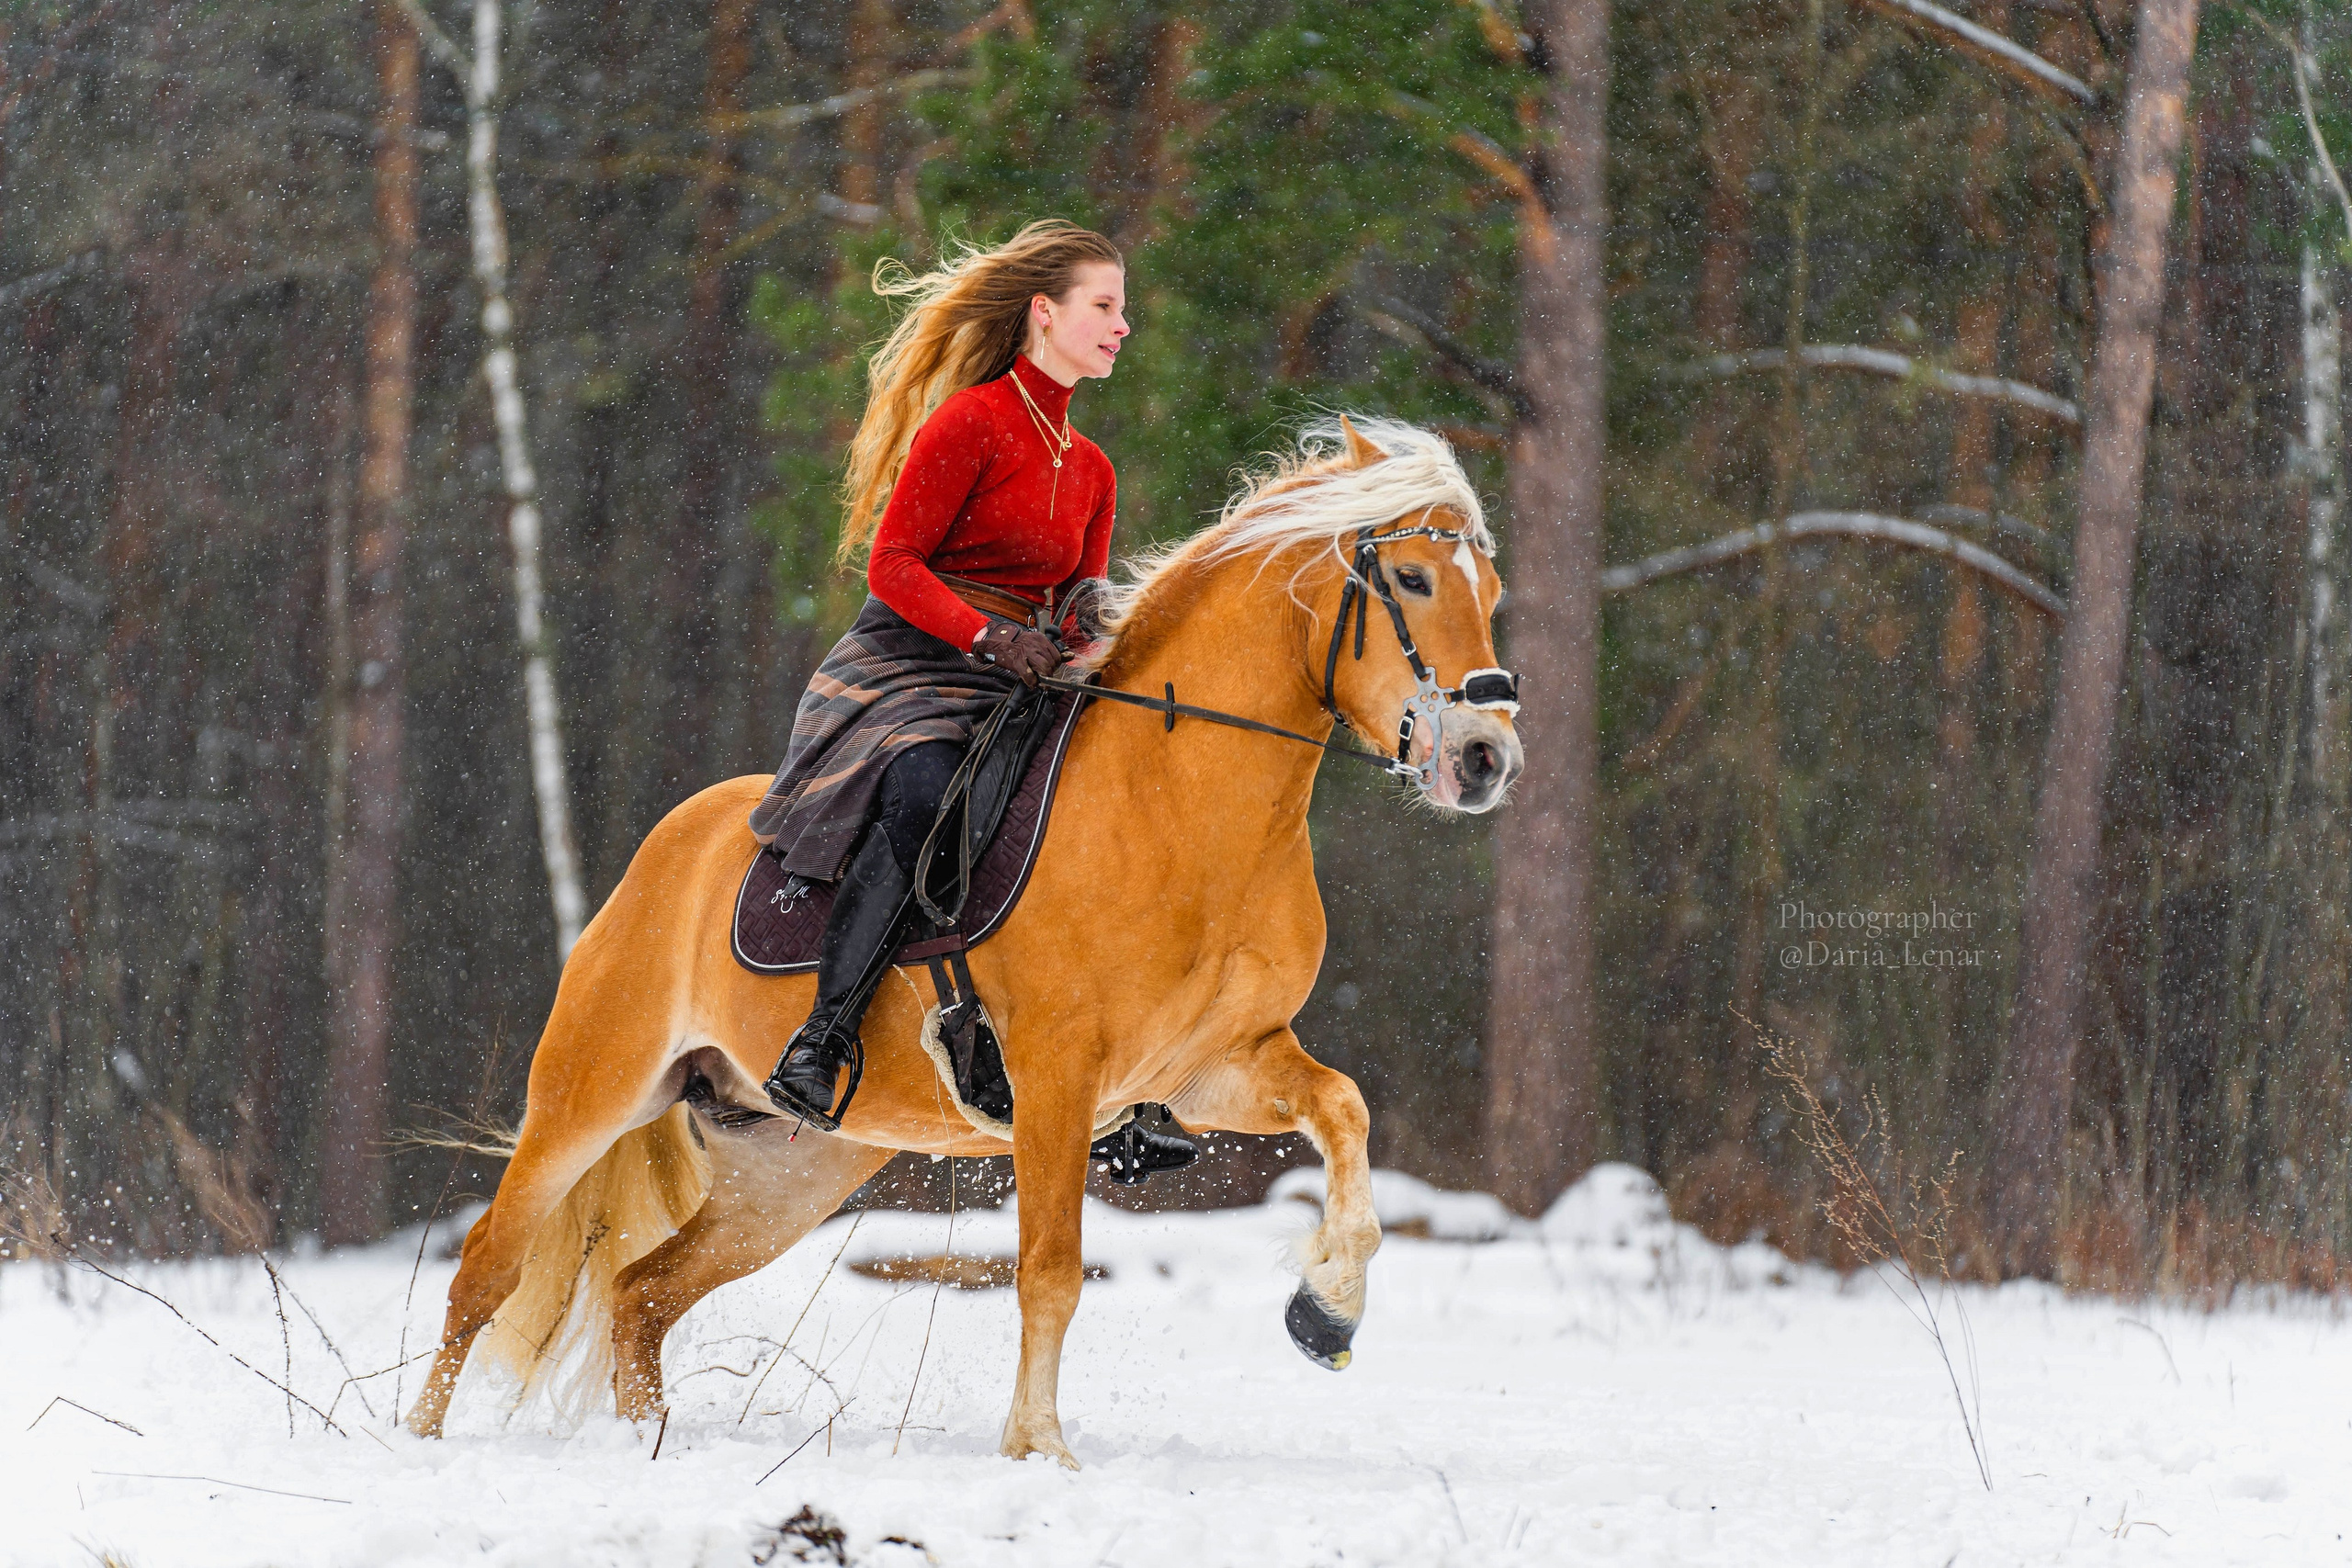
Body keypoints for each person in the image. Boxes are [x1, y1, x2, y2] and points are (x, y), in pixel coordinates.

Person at [750, 220, 1196, 1180]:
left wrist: (1100, 640)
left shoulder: (1093, 467)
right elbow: (893, 564)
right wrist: (989, 634)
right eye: (1105, 307)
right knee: (923, 791)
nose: (1125, 326)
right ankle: (821, 1041)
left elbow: (1077, 600)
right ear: (1046, 314)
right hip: (909, 664)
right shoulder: (970, 421)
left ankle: (1129, 1088)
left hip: (1022, 675)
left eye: (1124, 309)